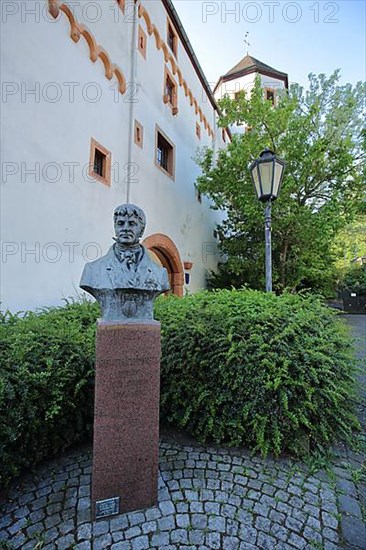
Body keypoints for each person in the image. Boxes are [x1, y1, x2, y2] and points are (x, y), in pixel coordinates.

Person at [80, 204, 169, 320]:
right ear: (115, 228)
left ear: (141, 230)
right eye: (120, 223)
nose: (126, 228)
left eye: (132, 224)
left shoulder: (159, 273)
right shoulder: (93, 270)